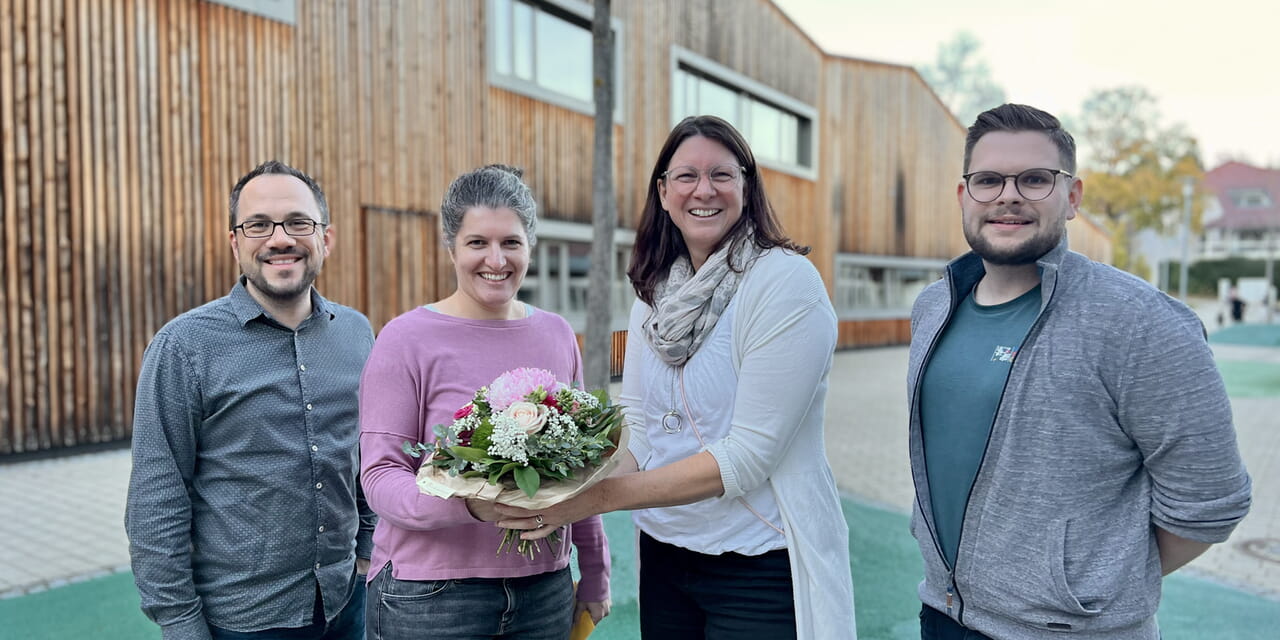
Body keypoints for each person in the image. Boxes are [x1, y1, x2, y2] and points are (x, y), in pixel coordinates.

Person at [497, 115, 857, 639]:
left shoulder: (784, 285)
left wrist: (590, 502)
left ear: (746, 187)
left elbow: (746, 457)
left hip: (758, 558)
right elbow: (639, 425)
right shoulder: (656, 292)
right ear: (663, 192)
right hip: (666, 552)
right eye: (686, 176)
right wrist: (554, 484)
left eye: (722, 175)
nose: (703, 190)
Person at [907, 103, 1252, 640]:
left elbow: (1210, 505)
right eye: (989, 180)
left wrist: (1076, 584)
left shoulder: (1142, 323)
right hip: (943, 612)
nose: (1009, 195)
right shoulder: (934, 307)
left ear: (1072, 198)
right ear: (963, 195)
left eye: (1036, 179)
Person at [357, 164, 610, 640]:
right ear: (451, 246)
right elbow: (380, 477)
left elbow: (585, 468)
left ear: (529, 245)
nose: (496, 259)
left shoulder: (556, 334)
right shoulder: (405, 340)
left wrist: (594, 571)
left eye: (511, 242)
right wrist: (470, 505)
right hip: (431, 595)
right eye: (478, 243)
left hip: (544, 591)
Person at [126, 160, 375, 640]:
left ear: (327, 238)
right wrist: (179, 622)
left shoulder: (357, 334)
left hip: (346, 604)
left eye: (299, 222)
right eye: (258, 224)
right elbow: (157, 497)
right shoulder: (183, 346)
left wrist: (366, 548)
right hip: (241, 620)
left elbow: (362, 454)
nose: (280, 239)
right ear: (235, 242)